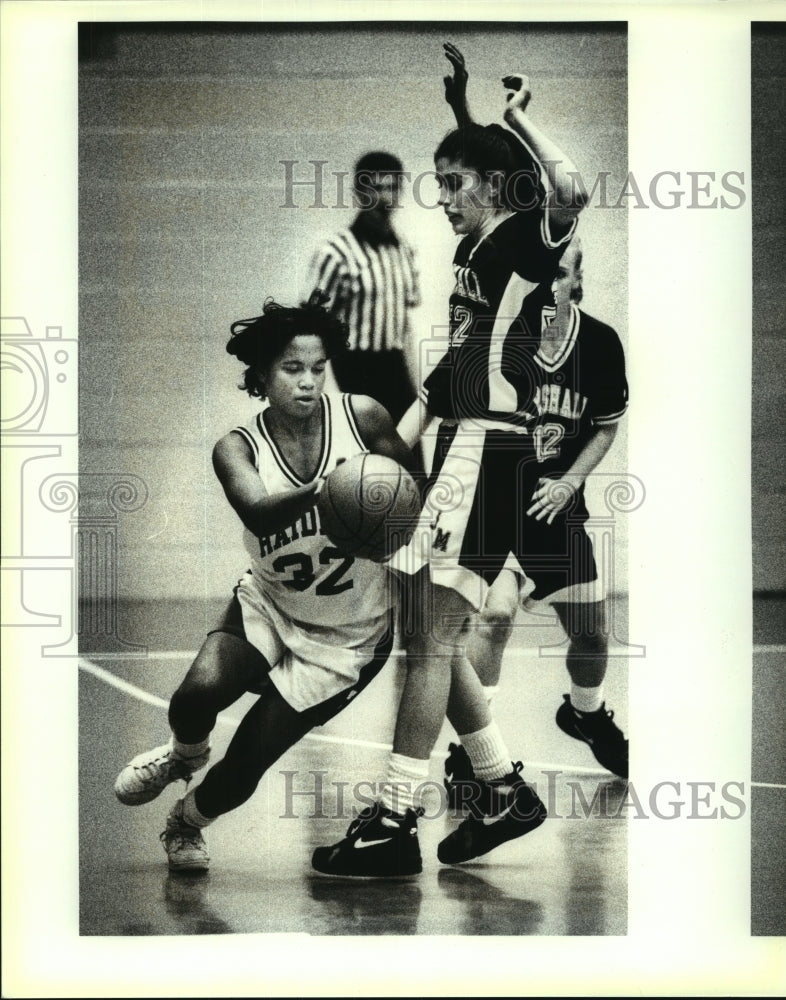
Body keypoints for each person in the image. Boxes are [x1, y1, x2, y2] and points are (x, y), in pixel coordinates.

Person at [311, 45, 587, 879]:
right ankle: (501, 787)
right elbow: (447, 369)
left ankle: (395, 819)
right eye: (438, 181)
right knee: (422, 629)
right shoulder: (474, 256)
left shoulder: (522, 240)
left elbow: (565, 190)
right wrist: (383, 444)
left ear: (494, 187)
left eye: (453, 182)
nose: (442, 197)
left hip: (491, 444)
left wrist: (509, 118)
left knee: (425, 640)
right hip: (460, 444)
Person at [113, 291, 413, 872]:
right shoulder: (237, 446)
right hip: (272, 604)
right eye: (292, 369)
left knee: (247, 760)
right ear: (261, 375)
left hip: (348, 640)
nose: (308, 382)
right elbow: (256, 510)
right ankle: (182, 754)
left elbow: (413, 491)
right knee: (194, 695)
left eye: (318, 369)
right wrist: (334, 491)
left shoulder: (365, 417)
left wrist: (390, 519)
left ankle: (187, 821)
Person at [443, 237, 629, 808]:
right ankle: (472, 756)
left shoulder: (598, 343)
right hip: (496, 498)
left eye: (562, 274)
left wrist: (571, 480)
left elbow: (604, 423)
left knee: (592, 634)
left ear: (577, 281)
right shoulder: (501, 341)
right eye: (543, 276)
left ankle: (585, 712)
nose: (551, 285)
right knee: (493, 617)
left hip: (556, 507)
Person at [307, 151, 421, 430]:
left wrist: (416, 383)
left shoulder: (404, 250)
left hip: (395, 367)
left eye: (391, 188)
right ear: (359, 193)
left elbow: (404, 325)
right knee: (368, 462)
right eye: (376, 188)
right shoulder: (337, 252)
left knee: (409, 459)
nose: (384, 198)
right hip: (355, 368)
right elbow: (310, 322)